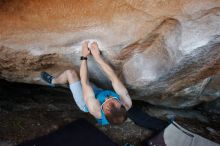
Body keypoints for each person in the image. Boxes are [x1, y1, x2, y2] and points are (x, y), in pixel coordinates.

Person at [41, 41, 132, 125]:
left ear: (103, 111)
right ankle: (70, 85)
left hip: (85, 101)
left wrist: (84, 56)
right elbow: (113, 78)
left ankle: (53, 81)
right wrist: (98, 57)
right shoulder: (126, 102)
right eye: (111, 98)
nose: (107, 98)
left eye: (104, 102)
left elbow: (85, 83)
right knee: (83, 82)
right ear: (122, 104)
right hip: (98, 93)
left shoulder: (95, 109)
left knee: (71, 73)